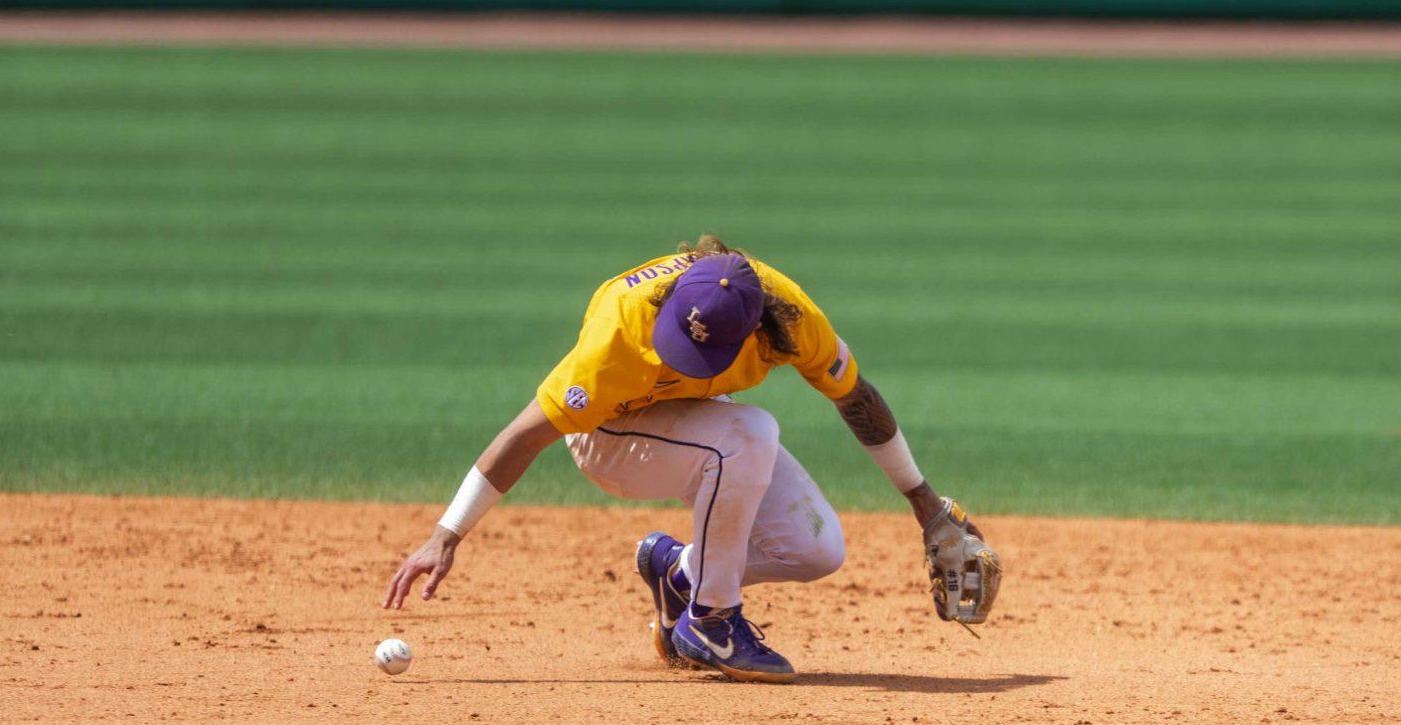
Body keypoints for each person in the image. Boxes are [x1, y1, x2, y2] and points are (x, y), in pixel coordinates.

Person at [383, 236, 998, 681]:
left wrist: (924, 502)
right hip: (609, 438)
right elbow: (524, 435)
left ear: (757, 331)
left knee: (815, 549)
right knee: (749, 433)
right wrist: (446, 534)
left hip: (695, 427)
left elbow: (855, 396)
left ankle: (676, 575)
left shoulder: (789, 315)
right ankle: (712, 619)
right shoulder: (616, 340)